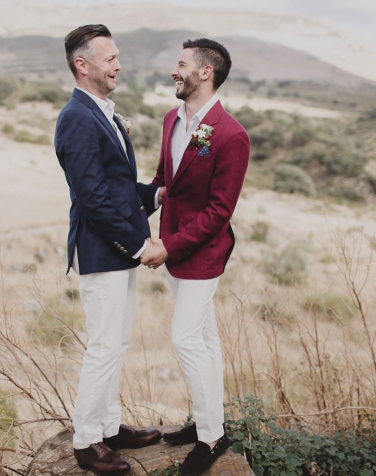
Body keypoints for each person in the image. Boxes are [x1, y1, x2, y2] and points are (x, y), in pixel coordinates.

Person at [54, 24, 162, 475]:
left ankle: (110, 426)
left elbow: (116, 187)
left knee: (116, 342)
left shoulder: (103, 112)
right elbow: (93, 197)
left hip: (117, 250)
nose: (118, 65)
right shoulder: (76, 117)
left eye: (118, 57)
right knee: (102, 346)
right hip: (103, 251)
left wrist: (155, 195)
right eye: (110, 58)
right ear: (83, 65)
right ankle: (85, 443)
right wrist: (140, 244)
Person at [141, 38, 250, 476]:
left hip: (203, 253)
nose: (174, 71)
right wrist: (132, 221)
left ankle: (211, 438)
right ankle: (210, 423)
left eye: (182, 64)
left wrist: (168, 246)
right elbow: (163, 180)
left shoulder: (231, 135)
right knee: (205, 341)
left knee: (186, 337)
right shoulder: (172, 119)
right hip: (173, 248)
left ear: (206, 73)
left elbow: (220, 212)